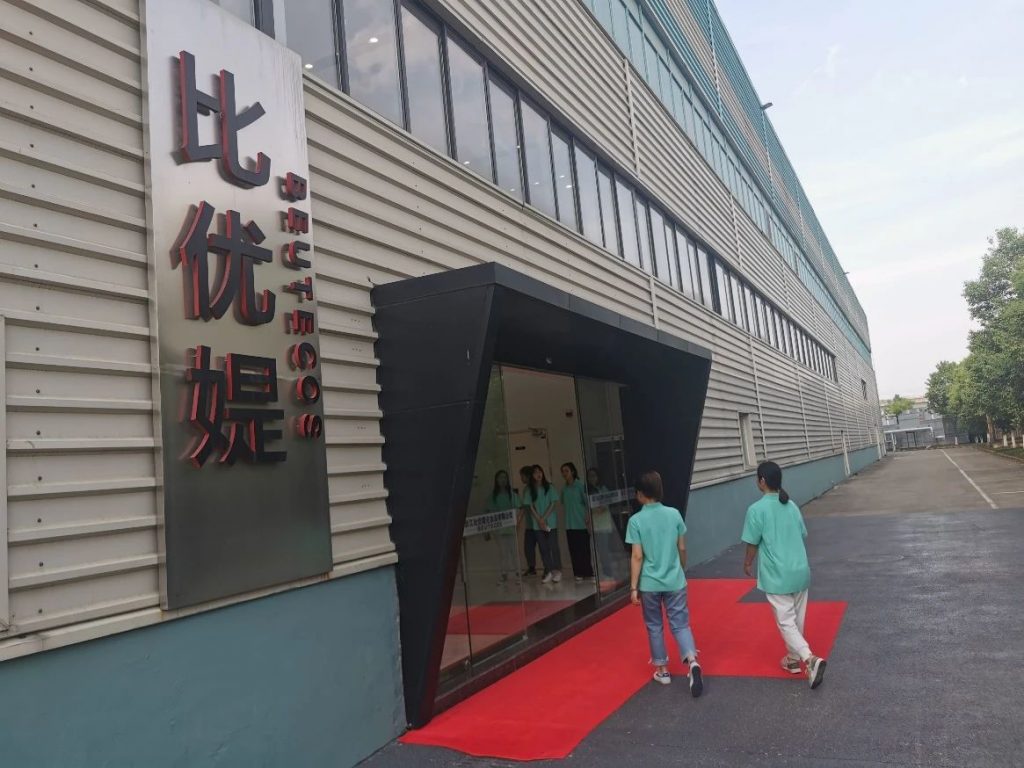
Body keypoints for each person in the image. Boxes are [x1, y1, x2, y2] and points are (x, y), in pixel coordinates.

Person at [741, 461, 826, 689]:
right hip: (800, 569)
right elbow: (801, 533)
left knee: (786, 622)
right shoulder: (792, 506)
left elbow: (752, 543)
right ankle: (792, 660)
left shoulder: (756, 510)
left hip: (777, 574)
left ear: (762, 481)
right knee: (797, 619)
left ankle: (809, 658)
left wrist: (747, 563)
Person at [626, 470, 702, 696]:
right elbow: (682, 547)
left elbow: (637, 556)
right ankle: (692, 660)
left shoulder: (635, 521)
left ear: (640, 494)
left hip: (650, 583)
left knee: (654, 625)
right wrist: (681, 568)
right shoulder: (674, 514)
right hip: (675, 579)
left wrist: (633, 587)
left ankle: (662, 670)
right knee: (680, 623)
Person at [560, 463, 594, 581]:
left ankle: (588, 572)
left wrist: (588, 516)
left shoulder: (580, 486)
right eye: (563, 471)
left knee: (584, 549)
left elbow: (587, 502)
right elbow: (563, 502)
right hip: (569, 524)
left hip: (581, 523)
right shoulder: (564, 489)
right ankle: (578, 572)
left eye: (566, 471)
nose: (564, 473)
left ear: (573, 472)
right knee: (574, 550)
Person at [529, 465, 562, 583]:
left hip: (550, 523)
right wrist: (539, 519)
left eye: (540, 472)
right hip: (537, 524)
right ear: (532, 476)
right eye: (535, 473)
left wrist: (543, 518)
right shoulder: (530, 490)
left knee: (553, 547)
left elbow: (553, 504)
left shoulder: (549, 487)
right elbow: (530, 506)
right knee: (543, 548)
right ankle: (549, 571)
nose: (538, 474)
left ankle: (557, 571)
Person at [488, 470, 520, 584]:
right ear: (496, 480)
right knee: (503, 553)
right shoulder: (493, 496)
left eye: (505, 477)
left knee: (514, 552)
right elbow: (489, 512)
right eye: (500, 477)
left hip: (511, 529)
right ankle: (503, 574)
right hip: (499, 530)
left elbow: (519, 509)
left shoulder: (512, 495)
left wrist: (517, 522)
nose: (503, 480)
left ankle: (518, 574)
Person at [518, 466, 540, 577]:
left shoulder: (538, 487)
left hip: (539, 523)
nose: (521, 478)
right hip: (529, 525)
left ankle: (548, 568)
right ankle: (531, 568)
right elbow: (524, 506)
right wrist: (519, 519)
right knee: (528, 548)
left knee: (544, 547)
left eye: (522, 476)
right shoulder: (526, 489)